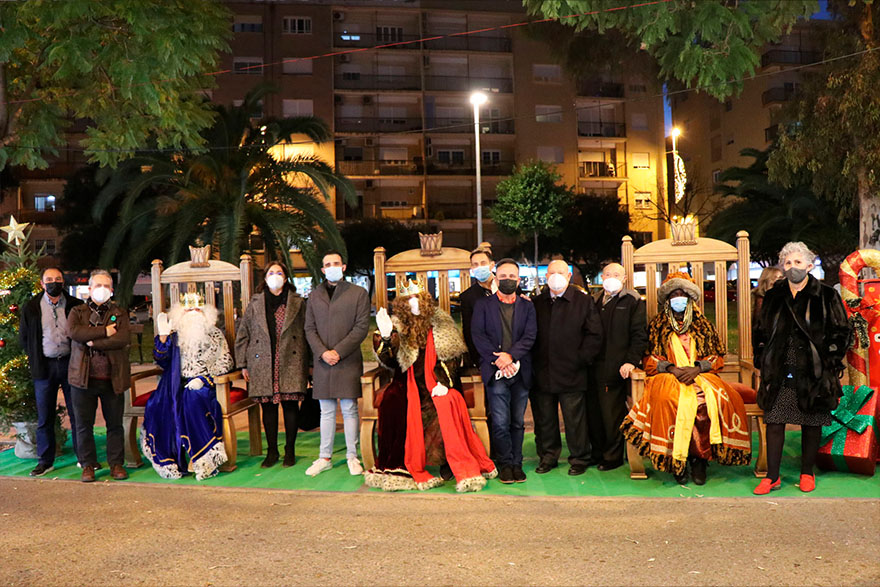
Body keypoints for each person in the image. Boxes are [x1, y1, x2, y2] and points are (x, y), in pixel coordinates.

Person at [365, 279, 496, 492]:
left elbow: (453, 358)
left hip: (437, 380)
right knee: (393, 402)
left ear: (426, 300)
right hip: (406, 381)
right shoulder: (397, 325)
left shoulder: (442, 323)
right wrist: (387, 339)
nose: (413, 302)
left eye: (417, 298)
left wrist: (444, 384)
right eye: (408, 299)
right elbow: (389, 362)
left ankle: (447, 461)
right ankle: (398, 464)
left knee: (443, 405)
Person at [621, 272, 751, 485]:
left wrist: (698, 368)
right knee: (670, 401)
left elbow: (717, 355)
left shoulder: (703, 325)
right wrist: (670, 367)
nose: (678, 298)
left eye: (682, 294)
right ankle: (675, 462)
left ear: (690, 298)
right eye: (674, 294)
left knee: (707, 402)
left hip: (701, 376)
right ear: (667, 299)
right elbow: (648, 357)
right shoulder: (658, 326)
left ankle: (699, 460)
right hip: (667, 376)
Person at [753, 242, 851, 494]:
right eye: (787, 263)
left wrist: (830, 358)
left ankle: (807, 473)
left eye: (797, 262)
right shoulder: (774, 296)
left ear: (809, 265)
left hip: (815, 369)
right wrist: (762, 358)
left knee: (811, 420)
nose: (792, 267)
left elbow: (842, 331)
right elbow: (760, 330)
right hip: (779, 367)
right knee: (775, 420)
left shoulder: (827, 295)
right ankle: (771, 476)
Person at [141, 294, 233, 480]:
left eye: (197, 309)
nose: (193, 313)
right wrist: (164, 338)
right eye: (188, 309)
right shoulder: (173, 335)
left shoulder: (214, 334)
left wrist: (204, 379)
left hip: (203, 383)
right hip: (174, 382)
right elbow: (161, 360)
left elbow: (226, 362)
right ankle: (172, 459)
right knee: (157, 405)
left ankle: (199, 457)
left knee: (191, 401)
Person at [531, 259, 603, 476]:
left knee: (575, 420)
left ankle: (580, 458)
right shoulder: (536, 303)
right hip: (542, 372)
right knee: (544, 420)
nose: (555, 276)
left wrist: (580, 359)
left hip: (573, 372)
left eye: (560, 272)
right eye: (551, 272)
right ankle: (548, 457)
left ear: (569, 276)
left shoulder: (583, 301)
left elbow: (595, 335)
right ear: (545, 276)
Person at [235, 262, 308, 468]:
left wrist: (309, 365)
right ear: (265, 278)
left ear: (286, 278)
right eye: (271, 273)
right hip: (262, 361)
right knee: (268, 408)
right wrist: (243, 364)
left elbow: (308, 333)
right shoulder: (255, 303)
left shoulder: (298, 302)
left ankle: (290, 450)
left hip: (291, 359)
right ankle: (272, 451)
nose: (275, 276)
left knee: (290, 405)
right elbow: (243, 335)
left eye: (279, 273)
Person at [304, 251, 370, 477]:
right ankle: (325, 457)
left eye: (336, 263)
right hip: (323, 362)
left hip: (347, 359)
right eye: (327, 264)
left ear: (343, 267)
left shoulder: (358, 293)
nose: (331, 267)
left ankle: (353, 455)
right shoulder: (313, 296)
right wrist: (323, 353)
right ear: (322, 270)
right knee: (326, 411)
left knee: (350, 409)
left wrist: (338, 352)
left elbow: (361, 327)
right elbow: (309, 329)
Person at [471, 258, 537, 484]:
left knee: (517, 422)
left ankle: (517, 463)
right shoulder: (483, 305)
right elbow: (478, 336)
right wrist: (498, 360)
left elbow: (530, 336)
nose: (507, 280)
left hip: (520, 370)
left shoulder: (528, 306)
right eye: (502, 277)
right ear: (495, 279)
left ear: (518, 280)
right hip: (495, 371)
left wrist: (511, 356)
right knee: (499, 422)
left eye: (511, 277)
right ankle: (505, 463)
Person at [19, 267, 84, 476]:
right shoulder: (31, 308)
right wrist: (35, 358)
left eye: (57, 279)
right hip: (44, 367)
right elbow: (25, 338)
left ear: (63, 282)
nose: (53, 282)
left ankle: (84, 458)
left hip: (70, 364)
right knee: (45, 416)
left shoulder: (76, 305)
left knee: (78, 413)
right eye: (49, 279)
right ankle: (45, 461)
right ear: (42, 284)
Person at [67, 270, 131, 483]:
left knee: (114, 423)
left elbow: (122, 338)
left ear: (111, 290)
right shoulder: (77, 311)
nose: (102, 290)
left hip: (112, 378)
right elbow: (75, 333)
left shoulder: (120, 313)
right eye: (98, 286)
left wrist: (94, 341)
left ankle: (116, 464)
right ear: (90, 288)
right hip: (83, 378)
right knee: (83, 424)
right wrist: (105, 332)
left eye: (106, 286)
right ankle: (88, 465)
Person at [589, 262, 648, 471]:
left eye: (616, 274)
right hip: (593, 366)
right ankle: (596, 453)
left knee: (611, 415)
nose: (611, 277)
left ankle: (612, 457)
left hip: (616, 368)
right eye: (607, 274)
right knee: (593, 413)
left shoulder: (632, 301)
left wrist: (631, 361)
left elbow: (639, 335)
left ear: (624, 279)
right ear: (601, 278)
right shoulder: (594, 300)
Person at [459, 247, 497, 366]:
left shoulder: (508, 287)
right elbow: (468, 332)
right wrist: (478, 360)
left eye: (483, 263)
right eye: (475, 264)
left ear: (491, 265)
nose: (479, 267)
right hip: (486, 357)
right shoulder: (467, 297)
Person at [751, 266, 784, 332]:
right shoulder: (758, 299)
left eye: (780, 278)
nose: (778, 281)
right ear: (766, 280)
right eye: (774, 278)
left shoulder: (782, 297)